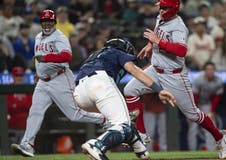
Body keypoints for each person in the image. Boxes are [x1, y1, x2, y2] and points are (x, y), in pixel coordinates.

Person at [123, 0, 226, 159]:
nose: (161, 10)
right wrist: (150, 45)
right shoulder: (161, 19)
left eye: (165, 7)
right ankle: (141, 133)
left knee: (193, 115)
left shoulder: (179, 26)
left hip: (174, 75)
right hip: (155, 69)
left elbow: (181, 50)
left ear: (173, 8)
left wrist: (158, 41)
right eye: (161, 6)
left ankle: (220, 137)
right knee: (129, 90)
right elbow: (157, 34)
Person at [11, 9, 106, 157]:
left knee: (74, 114)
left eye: (50, 21)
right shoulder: (37, 37)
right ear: (41, 22)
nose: (47, 23)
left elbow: (67, 56)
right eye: (44, 21)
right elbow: (39, 59)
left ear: (54, 22)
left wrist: (47, 58)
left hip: (60, 78)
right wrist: (39, 73)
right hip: (43, 82)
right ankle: (27, 145)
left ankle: (107, 118)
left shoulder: (59, 37)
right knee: (35, 112)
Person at [73, 38, 176, 160]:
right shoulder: (116, 52)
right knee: (124, 125)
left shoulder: (93, 56)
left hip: (79, 94)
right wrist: (158, 89)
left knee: (122, 122)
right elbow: (133, 70)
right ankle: (96, 144)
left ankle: (141, 150)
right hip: (99, 83)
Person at [188, 61, 224, 151]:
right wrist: (193, 111)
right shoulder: (198, 79)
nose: (210, 71)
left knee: (211, 126)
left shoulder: (218, 80)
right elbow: (194, 96)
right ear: (204, 70)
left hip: (206, 104)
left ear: (214, 70)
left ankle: (211, 150)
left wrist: (211, 111)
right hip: (193, 104)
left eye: (212, 69)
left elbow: (216, 97)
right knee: (193, 128)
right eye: (208, 69)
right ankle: (192, 151)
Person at [7, 66, 32, 146]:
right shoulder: (8, 89)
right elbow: (8, 107)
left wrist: (17, 105)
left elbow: (30, 106)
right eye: (17, 75)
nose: (19, 78)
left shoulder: (27, 89)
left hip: (26, 127)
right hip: (12, 127)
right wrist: (22, 105)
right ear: (13, 76)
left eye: (20, 75)